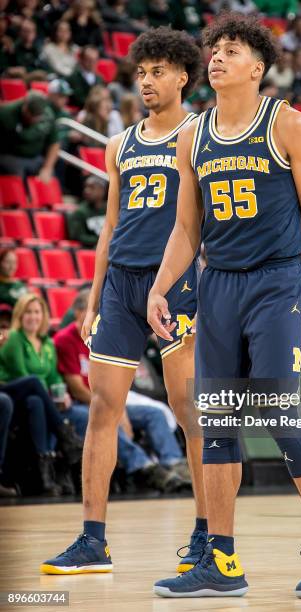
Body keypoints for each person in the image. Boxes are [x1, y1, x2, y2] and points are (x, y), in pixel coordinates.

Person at [148, 13, 301, 599]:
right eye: (213, 49)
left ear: (257, 68)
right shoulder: (193, 135)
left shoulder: (289, 125)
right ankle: (223, 561)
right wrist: (161, 287)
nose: (215, 57)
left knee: (278, 409)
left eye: (231, 50)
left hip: (277, 281)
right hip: (219, 285)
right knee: (216, 422)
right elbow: (187, 228)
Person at [40, 27, 206, 577]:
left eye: (158, 72)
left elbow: (203, 223)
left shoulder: (198, 135)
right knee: (102, 411)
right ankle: (92, 540)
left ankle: (208, 533)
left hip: (176, 286)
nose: (147, 82)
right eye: (141, 73)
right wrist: (91, 303)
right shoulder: (120, 144)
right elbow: (108, 229)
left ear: (183, 76)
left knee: (188, 414)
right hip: (120, 287)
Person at [54, 290, 189, 492]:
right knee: (108, 421)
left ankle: (175, 464)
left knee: (155, 414)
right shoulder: (65, 340)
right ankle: (145, 468)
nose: (96, 316)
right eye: (91, 311)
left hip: (110, 398)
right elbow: (76, 388)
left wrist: (119, 407)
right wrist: (116, 409)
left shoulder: (103, 334)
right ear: (78, 312)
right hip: (80, 404)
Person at [0, 294, 83, 494]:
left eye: (37, 312)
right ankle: (65, 434)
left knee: (37, 401)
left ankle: (45, 474)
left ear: (43, 315)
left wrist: (62, 395)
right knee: (34, 383)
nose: (33, 316)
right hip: (10, 392)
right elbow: (22, 375)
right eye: (28, 312)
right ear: (20, 315)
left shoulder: (47, 343)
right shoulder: (14, 339)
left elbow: (54, 377)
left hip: (35, 398)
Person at [0, 93, 60, 182]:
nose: (34, 119)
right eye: (31, 114)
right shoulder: (7, 113)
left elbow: (54, 143)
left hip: (35, 157)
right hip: (11, 155)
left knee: (50, 176)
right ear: (25, 106)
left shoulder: (48, 115)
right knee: (16, 173)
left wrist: (47, 168)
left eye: (37, 116)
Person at [67, 176, 107, 247]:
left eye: (92, 187)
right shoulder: (80, 212)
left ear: (102, 190)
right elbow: (78, 237)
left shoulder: (110, 209)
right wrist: (102, 240)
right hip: (91, 249)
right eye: (86, 187)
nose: (86, 191)